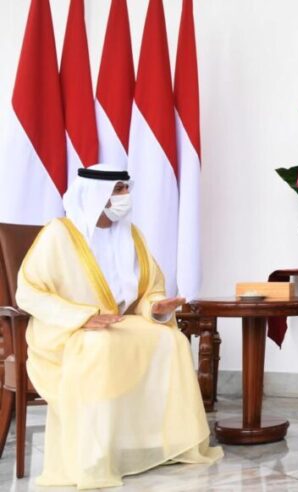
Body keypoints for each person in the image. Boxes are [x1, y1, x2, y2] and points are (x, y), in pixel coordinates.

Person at [16, 164, 223, 489]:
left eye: (126, 189)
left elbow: (147, 290)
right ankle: (94, 454)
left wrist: (156, 307)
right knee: (100, 345)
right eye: (117, 191)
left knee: (171, 341)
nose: (125, 197)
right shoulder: (59, 234)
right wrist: (82, 317)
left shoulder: (133, 236)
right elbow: (28, 292)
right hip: (64, 333)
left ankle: (160, 446)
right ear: (95, 195)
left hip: (115, 325)